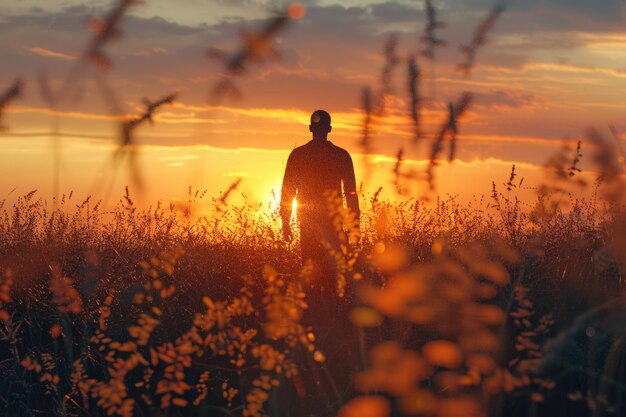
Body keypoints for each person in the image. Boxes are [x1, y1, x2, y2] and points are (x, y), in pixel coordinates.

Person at [280, 110, 360, 291]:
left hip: (308, 222)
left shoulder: (298, 155)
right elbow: (351, 195)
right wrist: (355, 227)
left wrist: (285, 221)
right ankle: (329, 311)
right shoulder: (341, 155)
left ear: (310, 128)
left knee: (311, 272)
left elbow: (288, 192)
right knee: (332, 274)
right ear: (329, 129)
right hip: (334, 223)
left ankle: (316, 311)